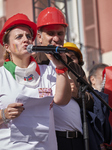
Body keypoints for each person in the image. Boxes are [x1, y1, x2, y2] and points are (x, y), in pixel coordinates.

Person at [36, 7, 111, 150]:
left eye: (60, 33)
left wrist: (77, 94)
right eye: (50, 34)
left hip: (78, 139)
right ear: (39, 37)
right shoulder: (34, 63)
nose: (56, 38)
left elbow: (92, 101)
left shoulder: (73, 66)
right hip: (51, 140)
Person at [0, 13, 71, 150]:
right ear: (7, 46)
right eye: (19, 37)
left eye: (28, 36)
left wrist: (61, 68)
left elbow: (62, 100)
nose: (26, 40)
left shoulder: (48, 70)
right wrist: (3, 114)